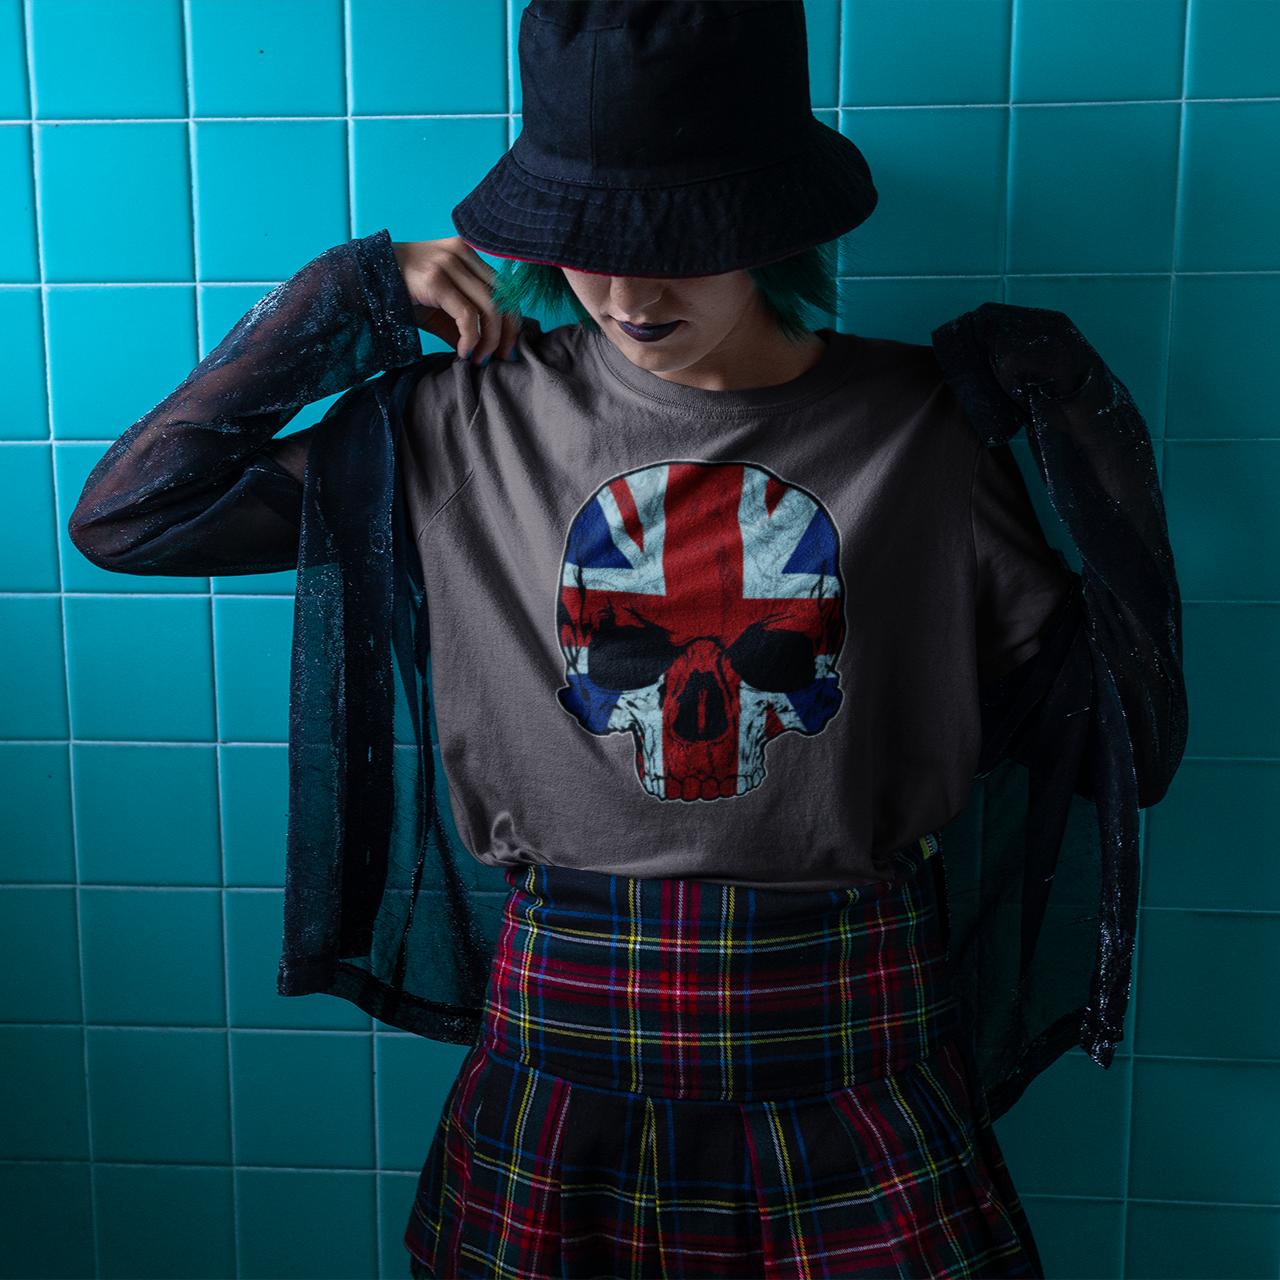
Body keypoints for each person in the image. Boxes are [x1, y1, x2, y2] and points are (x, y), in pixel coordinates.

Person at [68, 3, 1184, 1277]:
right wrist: (349, 298)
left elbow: (1116, 745)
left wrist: (1083, 436)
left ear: (776, 220)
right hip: (564, 1045)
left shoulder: (925, 429)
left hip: (854, 1041)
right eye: (587, 242)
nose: (627, 290)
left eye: (678, 242)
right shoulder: (456, 423)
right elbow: (131, 519)